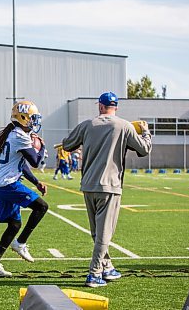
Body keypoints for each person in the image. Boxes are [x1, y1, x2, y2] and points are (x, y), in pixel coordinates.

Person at [62, 92, 152, 287]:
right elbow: (144, 149)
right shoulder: (124, 125)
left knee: (97, 232)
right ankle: (94, 273)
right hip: (110, 186)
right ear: (115, 107)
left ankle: (107, 267)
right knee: (104, 233)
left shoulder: (87, 125)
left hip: (88, 185)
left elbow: (67, 144)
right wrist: (145, 132)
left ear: (100, 106)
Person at [0, 101, 48, 277]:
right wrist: (42, 147)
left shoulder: (15, 133)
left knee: (14, 224)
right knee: (41, 207)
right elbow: (35, 162)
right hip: (8, 184)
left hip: (1, 183)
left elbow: (23, 166)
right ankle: (20, 243)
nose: (34, 122)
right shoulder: (19, 135)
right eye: (32, 118)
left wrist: (36, 182)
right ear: (22, 117)